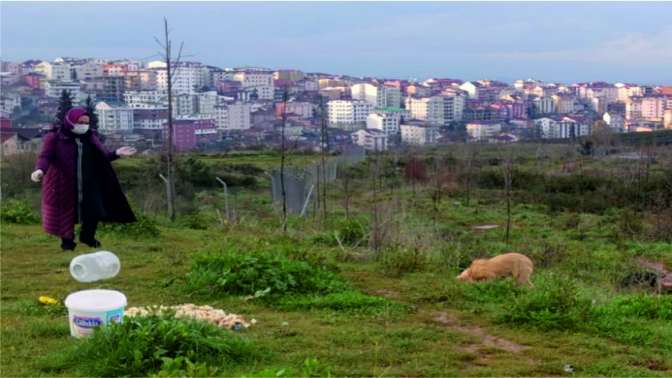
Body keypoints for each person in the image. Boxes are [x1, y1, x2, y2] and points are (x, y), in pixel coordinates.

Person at [31, 107, 137, 251]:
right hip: (64, 183)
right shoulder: (55, 137)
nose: (83, 125)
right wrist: (40, 170)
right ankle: (67, 242)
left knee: (94, 209)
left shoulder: (90, 137)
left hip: (89, 182)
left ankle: (87, 237)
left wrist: (117, 153)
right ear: (70, 121)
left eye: (86, 122)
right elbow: (45, 156)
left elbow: (102, 156)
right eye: (80, 122)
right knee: (66, 212)